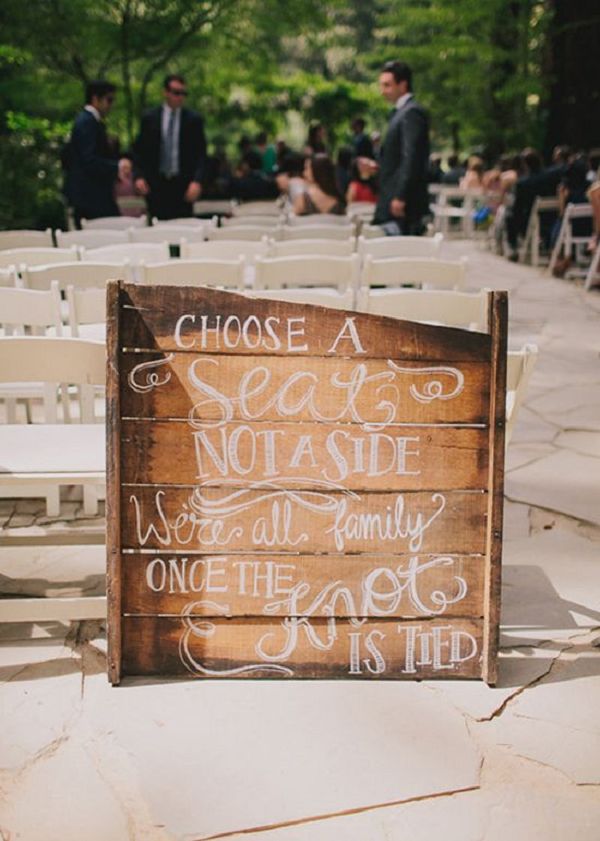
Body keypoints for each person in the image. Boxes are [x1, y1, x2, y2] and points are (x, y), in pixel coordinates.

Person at [133, 73, 207, 220]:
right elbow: (138, 152)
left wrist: (197, 181)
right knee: (158, 231)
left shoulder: (193, 120)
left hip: (183, 186)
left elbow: (201, 155)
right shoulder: (150, 118)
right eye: (176, 92)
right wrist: (139, 177)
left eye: (183, 93)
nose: (180, 97)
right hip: (156, 186)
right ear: (165, 92)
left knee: (184, 228)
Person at [373, 60, 430, 234]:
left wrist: (400, 195)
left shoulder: (411, 113)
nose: (382, 91)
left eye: (387, 85)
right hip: (392, 198)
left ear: (403, 85)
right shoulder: (401, 112)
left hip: (400, 204)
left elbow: (410, 156)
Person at [63, 80, 128, 226]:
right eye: (108, 100)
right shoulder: (87, 122)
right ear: (95, 99)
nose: (111, 105)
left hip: (93, 196)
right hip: (91, 198)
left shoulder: (89, 122)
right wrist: (117, 167)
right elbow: (88, 160)